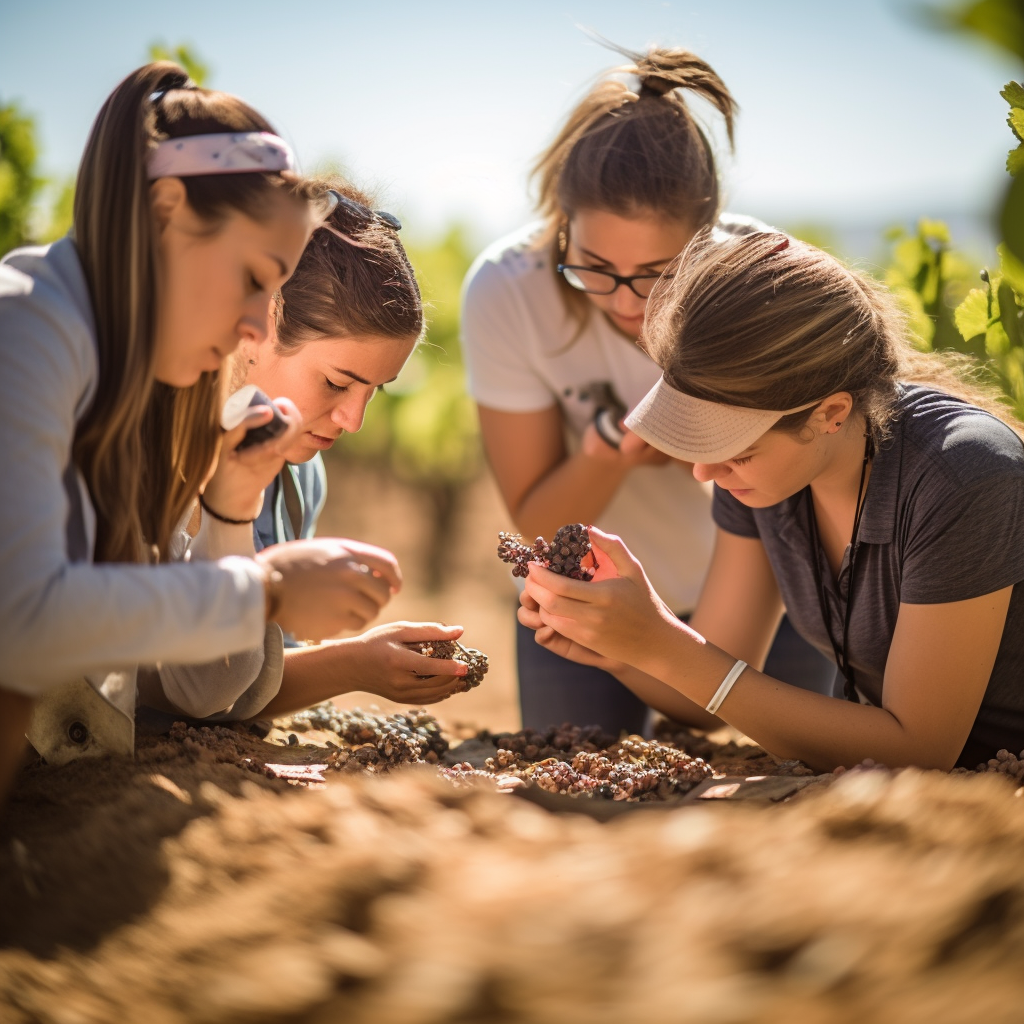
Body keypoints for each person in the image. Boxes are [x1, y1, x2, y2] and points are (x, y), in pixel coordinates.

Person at [0, 64, 401, 795]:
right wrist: (265, 591)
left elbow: (192, 685)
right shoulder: (22, 331)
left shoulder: (131, 382)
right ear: (166, 211)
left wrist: (230, 510)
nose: (255, 327)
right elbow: (24, 619)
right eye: (252, 279)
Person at [518, 230, 1024, 772]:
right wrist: (625, 649)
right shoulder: (767, 479)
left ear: (830, 413)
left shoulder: (964, 475)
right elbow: (712, 687)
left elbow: (919, 749)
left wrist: (663, 644)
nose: (704, 471)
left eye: (736, 452)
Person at [461, 44, 833, 735]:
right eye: (594, 268)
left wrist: (701, 443)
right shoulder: (505, 291)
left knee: (772, 793)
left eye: (659, 273)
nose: (627, 303)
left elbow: (813, 470)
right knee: (574, 781)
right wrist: (611, 450)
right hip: (586, 593)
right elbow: (538, 518)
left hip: (765, 596)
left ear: (708, 238)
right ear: (562, 224)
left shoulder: (763, 280)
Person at [138, 178, 472, 722]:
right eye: (338, 383)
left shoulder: (298, 480)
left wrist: (359, 663)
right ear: (258, 324)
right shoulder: (127, 453)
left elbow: (232, 690)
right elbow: (152, 690)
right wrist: (349, 664)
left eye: (375, 391)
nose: (355, 421)